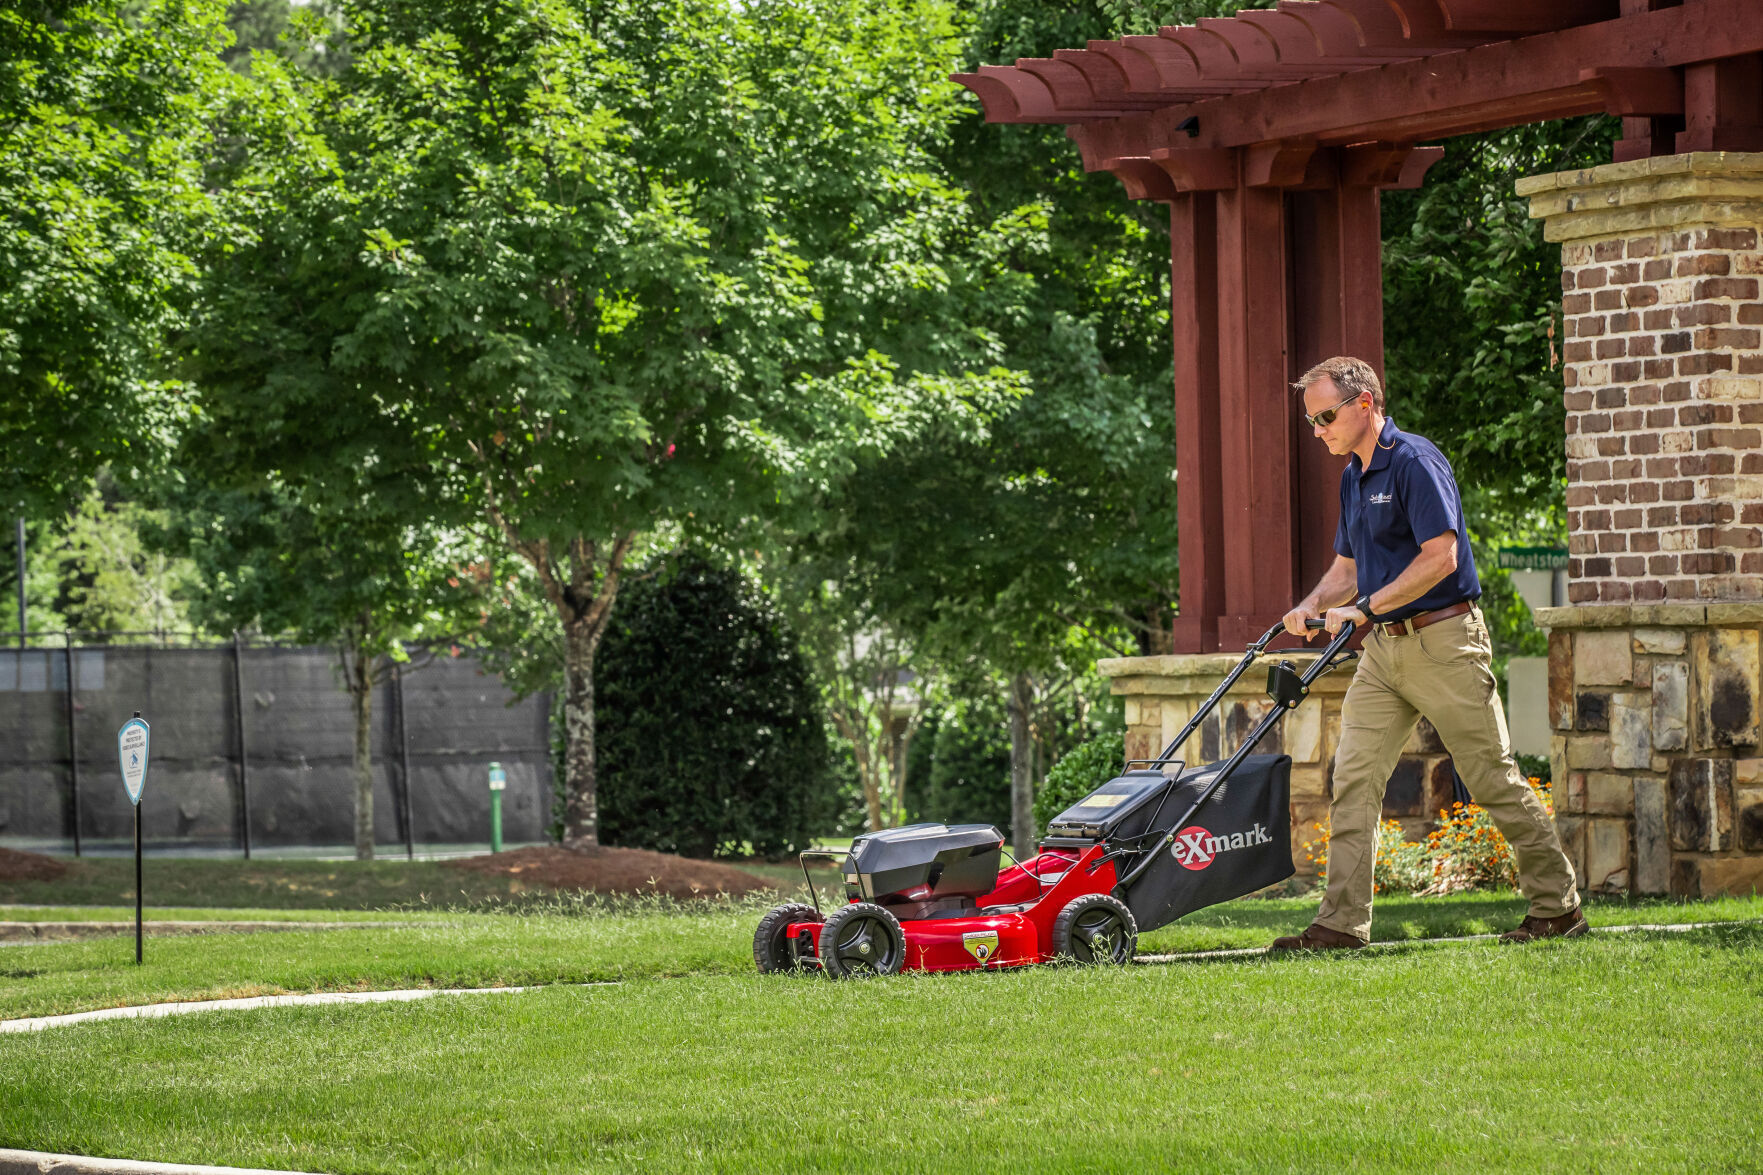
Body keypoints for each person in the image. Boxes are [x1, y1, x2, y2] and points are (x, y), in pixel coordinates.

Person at [1272, 356, 1585, 951]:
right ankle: (1340, 925)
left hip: (1444, 642)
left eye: (1326, 416)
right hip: (1383, 653)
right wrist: (1310, 605)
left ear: (1365, 403)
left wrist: (1363, 610)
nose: (1318, 431)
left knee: (1492, 778)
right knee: (1353, 779)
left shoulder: (1416, 462)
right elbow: (1348, 569)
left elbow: (1440, 556)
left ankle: (1558, 907)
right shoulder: (1352, 478)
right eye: (1312, 422)